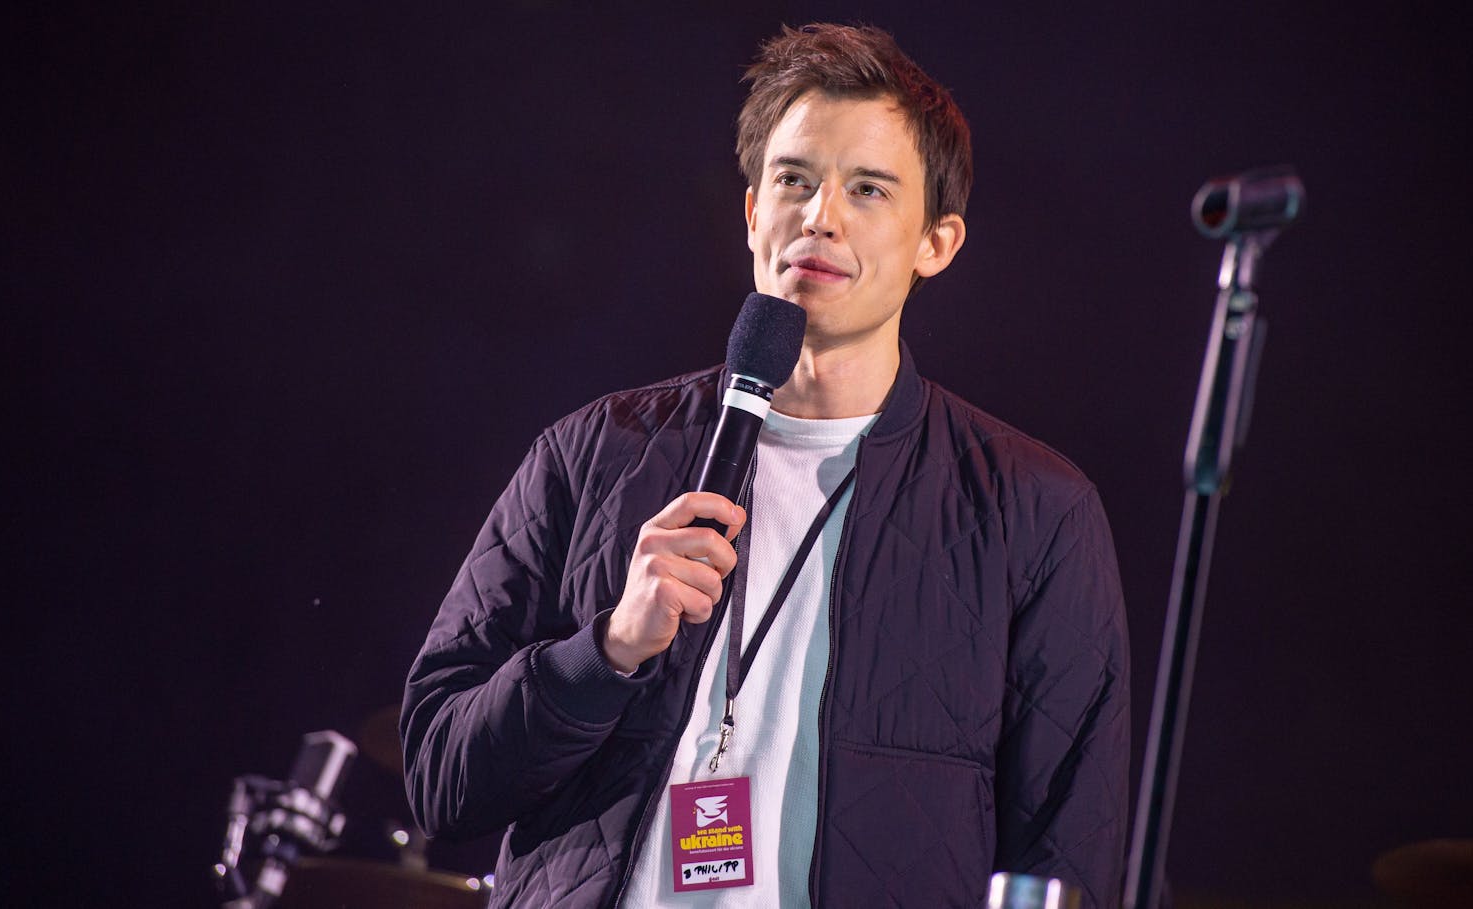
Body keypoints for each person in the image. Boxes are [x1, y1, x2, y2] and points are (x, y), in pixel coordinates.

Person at [402, 23, 1129, 908]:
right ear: (753, 212)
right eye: (793, 179)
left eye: (868, 189)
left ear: (937, 242)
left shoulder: (1033, 509)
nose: (819, 215)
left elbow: (1068, 855)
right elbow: (439, 777)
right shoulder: (593, 453)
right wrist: (608, 650)